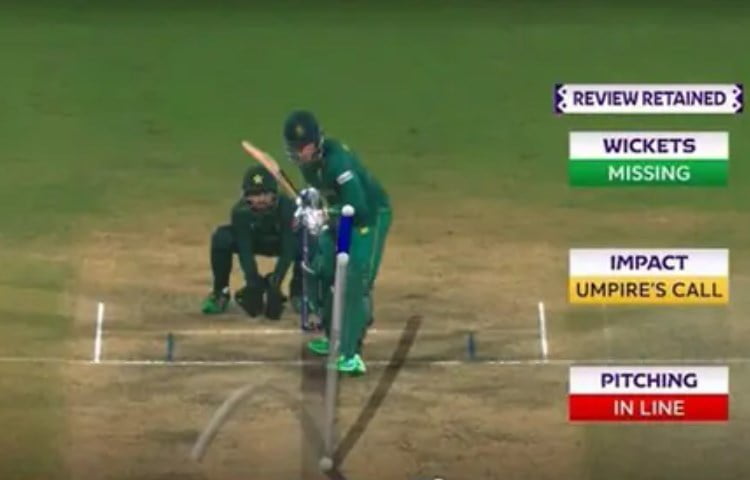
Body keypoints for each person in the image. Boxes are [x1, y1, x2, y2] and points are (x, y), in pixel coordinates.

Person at [284, 110, 392, 375]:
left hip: (368, 220)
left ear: (316, 142)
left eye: (303, 146)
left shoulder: (338, 162)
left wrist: (324, 214)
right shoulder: (308, 162)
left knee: (354, 280)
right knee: (323, 268)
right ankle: (334, 337)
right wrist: (311, 203)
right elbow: (326, 192)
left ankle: (351, 353)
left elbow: (359, 207)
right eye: (295, 147)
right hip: (341, 218)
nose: (299, 152)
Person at [201, 165, 302, 320]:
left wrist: (276, 281)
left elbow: (289, 247)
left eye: (264, 193)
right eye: (254, 194)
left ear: (274, 194)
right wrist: (252, 282)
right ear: (246, 196)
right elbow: (245, 249)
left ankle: (299, 294)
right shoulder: (240, 212)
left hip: (281, 243)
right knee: (221, 238)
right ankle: (220, 293)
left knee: (308, 240)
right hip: (255, 241)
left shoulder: (289, 208)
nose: (260, 199)